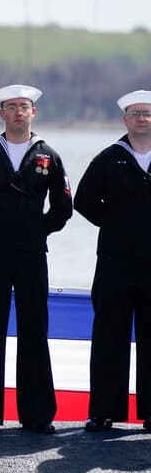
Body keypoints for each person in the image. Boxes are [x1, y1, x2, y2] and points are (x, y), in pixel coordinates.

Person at [0, 84, 72, 434]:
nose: (18, 112)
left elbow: (63, 209)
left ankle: (36, 415)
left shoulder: (47, 155)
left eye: (24, 106)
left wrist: (37, 232)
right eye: (11, 107)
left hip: (33, 255)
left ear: (33, 112)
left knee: (35, 332)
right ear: (1, 113)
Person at [74, 89, 151, 432]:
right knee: (109, 337)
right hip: (115, 262)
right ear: (125, 120)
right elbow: (84, 201)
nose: (142, 119)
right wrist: (119, 224)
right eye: (135, 113)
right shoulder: (109, 158)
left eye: (147, 113)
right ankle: (104, 411)